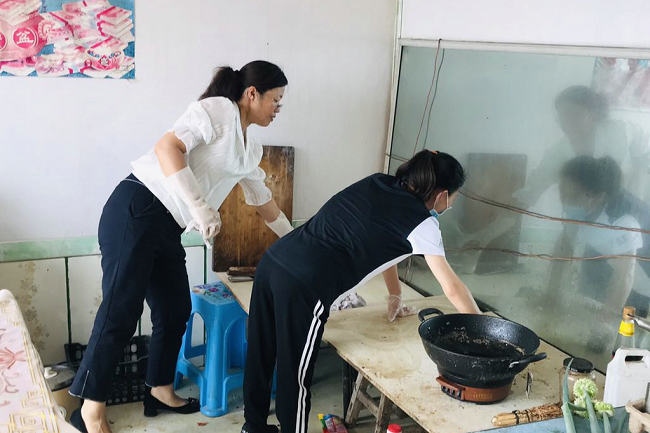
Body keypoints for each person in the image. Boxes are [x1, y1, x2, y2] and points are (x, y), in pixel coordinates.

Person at [68, 60, 294, 433]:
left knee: (175, 310)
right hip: (137, 208)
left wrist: (297, 241)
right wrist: (200, 207)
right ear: (252, 94)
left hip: (166, 226)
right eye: (276, 99)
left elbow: (263, 202)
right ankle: (89, 411)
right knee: (121, 312)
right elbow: (167, 147)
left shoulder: (249, 148)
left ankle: (159, 388)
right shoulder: (219, 110)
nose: (278, 108)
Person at [241, 150, 482, 433]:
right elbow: (452, 288)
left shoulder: (378, 182)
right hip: (303, 285)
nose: (451, 204)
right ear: (441, 195)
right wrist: (482, 330)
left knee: (260, 352)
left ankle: (253, 427)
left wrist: (395, 295)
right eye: (453, 198)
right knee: (294, 374)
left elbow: (384, 246)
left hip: (274, 261)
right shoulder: (424, 224)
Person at [518, 85, 649, 207]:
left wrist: (639, 177)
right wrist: (522, 199)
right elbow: (538, 182)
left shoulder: (619, 131)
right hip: (586, 212)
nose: (567, 121)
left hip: (628, 205)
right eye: (563, 115)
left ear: (594, 114)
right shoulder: (558, 152)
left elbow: (643, 150)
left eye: (575, 114)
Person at [547, 156, 646, 314]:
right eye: (562, 193)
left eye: (573, 197)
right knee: (587, 298)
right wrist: (551, 295)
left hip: (643, 279)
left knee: (625, 320)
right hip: (610, 260)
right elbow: (563, 249)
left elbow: (624, 276)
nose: (565, 202)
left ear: (598, 197)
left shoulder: (622, 221)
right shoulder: (581, 209)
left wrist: (605, 319)